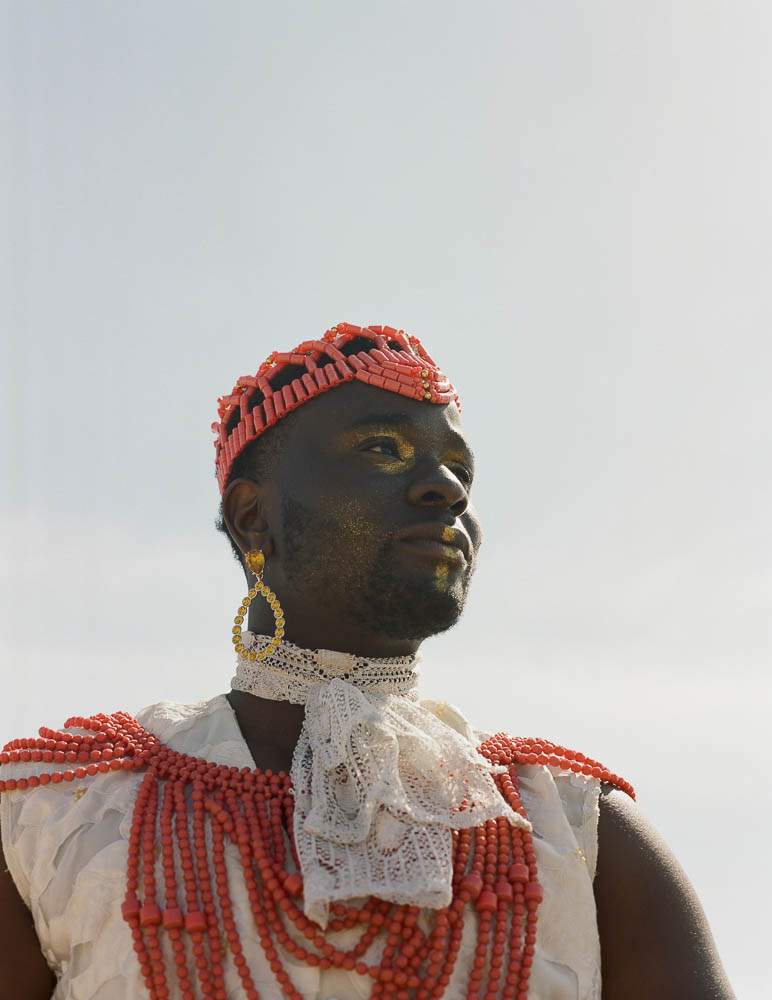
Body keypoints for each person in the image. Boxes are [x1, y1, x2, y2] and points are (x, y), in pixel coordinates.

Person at [0, 323, 735, 1000]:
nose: (444, 489)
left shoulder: (577, 830)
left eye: (460, 472)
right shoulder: (57, 812)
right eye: (382, 448)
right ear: (253, 515)